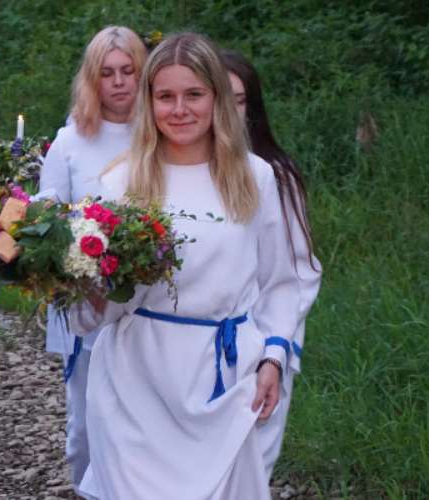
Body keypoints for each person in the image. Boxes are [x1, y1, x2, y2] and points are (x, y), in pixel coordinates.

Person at [69, 32, 302, 499]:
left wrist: (274, 357)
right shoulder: (120, 184)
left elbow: (281, 283)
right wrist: (84, 285)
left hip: (225, 379)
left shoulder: (255, 178)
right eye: (166, 96)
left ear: (216, 98)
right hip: (135, 383)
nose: (180, 109)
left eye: (194, 94)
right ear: (148, 102)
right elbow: (94, 313)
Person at [37, 26, 147, 496]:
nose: (119, 82)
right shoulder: (69, 142)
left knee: (144, 417)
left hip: (150, 301)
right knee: (85, 420)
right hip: (88, 305)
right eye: (108, 73)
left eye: (128, 71)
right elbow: (44, 219)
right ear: (92, 79)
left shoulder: (159, 135)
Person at [221, 49, 322, 480]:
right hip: (203, 346)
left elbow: (296, 271)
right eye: (218, 97)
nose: (228, 111)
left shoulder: (275, 175)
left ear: (253, 108)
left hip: (265, 341)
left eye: (238, 100)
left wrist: (274, 350)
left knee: (251, 467)